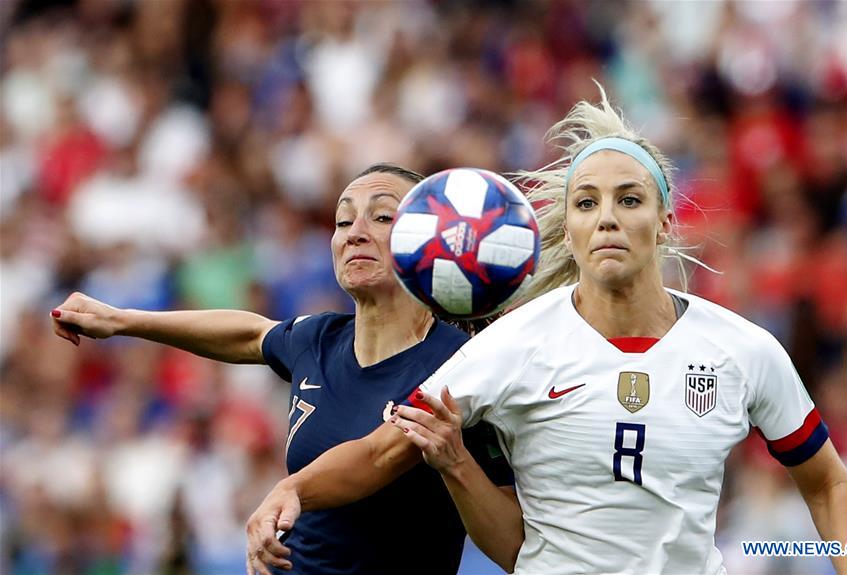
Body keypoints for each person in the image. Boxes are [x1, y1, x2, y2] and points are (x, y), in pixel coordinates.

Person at [242, 88, 847, 575]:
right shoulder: (509, 348)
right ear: (566, 227)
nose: (607, 220)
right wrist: (293, 489)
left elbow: (830, 484)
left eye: (629, 200)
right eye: (586, 203)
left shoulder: (744, 350)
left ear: (667, 220)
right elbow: (383, 450)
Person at [50, 163, 513, 575]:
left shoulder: (461, 362)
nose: (354, 232)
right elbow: (250, 334)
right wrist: (121, 319)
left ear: (429, 242)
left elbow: (378, 456)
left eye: (383, 216)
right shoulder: (319, 339)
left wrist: (291, 489)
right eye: (342, 220)